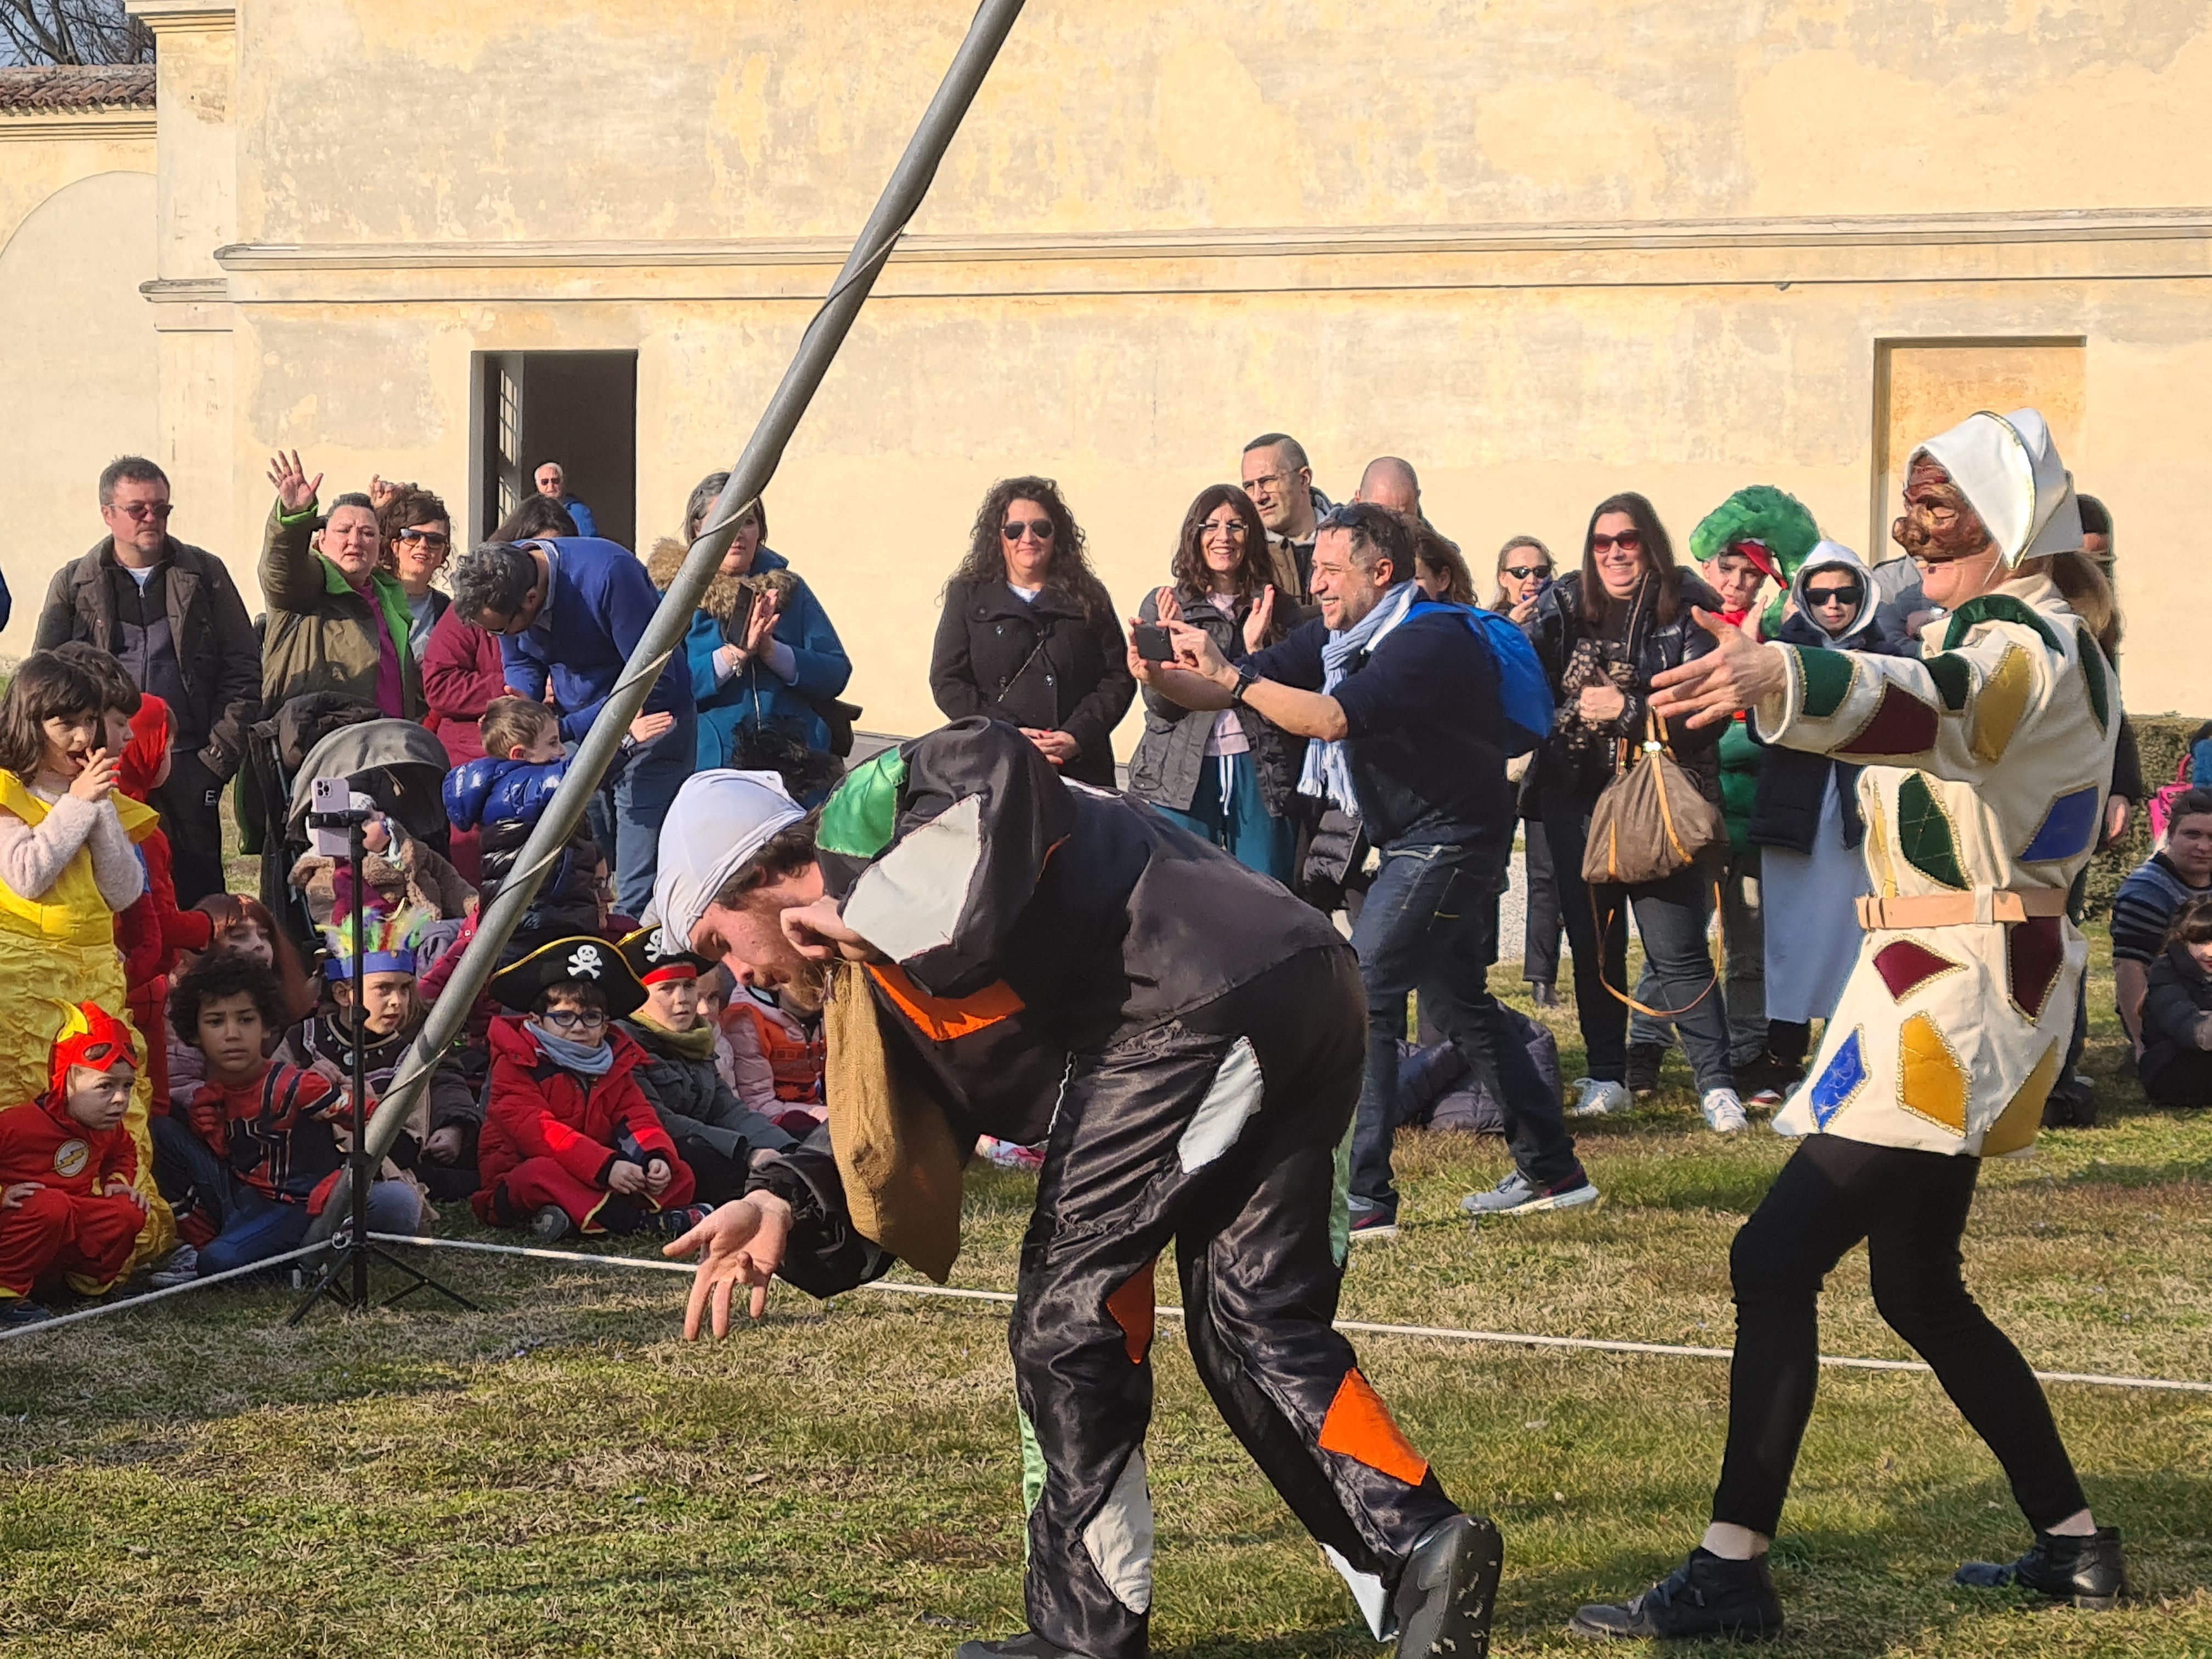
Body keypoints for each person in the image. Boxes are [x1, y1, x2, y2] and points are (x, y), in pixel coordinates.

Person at [654, 743, 1504, 1659]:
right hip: (1298, 981)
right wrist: (780, 1201)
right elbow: (889, 1122)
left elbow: (986, 756)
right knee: (1251, 1316)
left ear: (769, 875)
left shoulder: (865, 816)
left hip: (1183, 1003)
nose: (738, 976)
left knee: (1067, 1314)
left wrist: (873, 907)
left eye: (718, 943)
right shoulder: (874, 970)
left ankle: (1083, 1634)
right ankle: (1418, 1545)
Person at [1573, 409, 2125, 1640]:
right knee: (1920, 1286)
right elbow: (1934, 698)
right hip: (1957, 980)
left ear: (2004, 524)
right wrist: (1787, 672)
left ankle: (1730, 1572)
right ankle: (2075, 1544)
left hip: (1956, 993)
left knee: (1773, 1261)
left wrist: (1791, 672)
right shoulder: (2037, 632)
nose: (1907, 528)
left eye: (1938, 507)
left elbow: (1944, 707)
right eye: (1912, 504)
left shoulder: (2014, 638)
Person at [1139, 502, 1590, 1237]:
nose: (1313, 582)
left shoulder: (1431, 639)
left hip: (1452, 839)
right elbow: (1234, 689)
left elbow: (1330, 719)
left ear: (1381, 572)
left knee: (1367, 990)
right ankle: (1553, 1170)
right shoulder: (1340, 636)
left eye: (1328, 568)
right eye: (1313, 568)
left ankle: (1364, 1197)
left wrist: (1233, 678)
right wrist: (1161, 676)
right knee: (1462, 1008)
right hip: (1415, 838)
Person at [1525, 493, 1743, 1130]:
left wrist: (1627, 714)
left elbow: (1708, 719)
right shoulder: (1563, 605)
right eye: (1602, 543)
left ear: (1651, 544)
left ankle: (1717, 1084)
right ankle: (1605, 1074)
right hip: (1574, 795)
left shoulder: (1689, 609)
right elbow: (1518, 674)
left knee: (1676, 949)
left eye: (1628, 541)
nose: (1615, 553)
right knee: (1595, 947)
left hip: (1659, 795)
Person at [0, 651, 172, 1265]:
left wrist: (98, 808)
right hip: (23, 978)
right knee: (27, 1099)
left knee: (108, 1098)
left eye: (88, 722)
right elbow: (27, 875)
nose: (82, 737)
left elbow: (125, 891)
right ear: (29, 724)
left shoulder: (98, 793)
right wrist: (76, 802)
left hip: (93, 971)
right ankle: (24, 1244)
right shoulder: (8, 793)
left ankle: (104, 1241)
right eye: (62, 723)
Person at [35, 454, 261, 906]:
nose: (152, 518)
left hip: (190, 762)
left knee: (197, 895)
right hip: (101, 768)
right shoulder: (75, 583)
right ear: (108, 514)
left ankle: (202, 978)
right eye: (138, 509)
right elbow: (43, 683)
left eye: (162, 508)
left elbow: (244, 670)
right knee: (111, 894)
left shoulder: (205, 575)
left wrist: (214, 762)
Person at [448, 531, 696, 921]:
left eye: (500, 629)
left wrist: (564, 728)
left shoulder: (609, 576)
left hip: (651, 729)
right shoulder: (509, 586)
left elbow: (658, 680)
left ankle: (640, 966)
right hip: (575, 736)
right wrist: (523, 708)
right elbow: (522, 662)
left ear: (531, 599)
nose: (499, 639)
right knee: (589, 872)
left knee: (635, 881)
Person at [153, 951, 424, 1278]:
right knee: (161, 1130)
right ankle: (206, 1247)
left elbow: (377, 1122)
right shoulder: (214, 1095)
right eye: (215, 1022)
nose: (231, 1034)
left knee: (219, 1263)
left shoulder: (297, 1086)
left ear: (267, 1025)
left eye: (246, 1019)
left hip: (296, 1207)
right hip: (241, 1197)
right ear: (194, 1033)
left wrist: (352, 1096)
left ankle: (295, 1265)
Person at [470, 934, 707, 1242]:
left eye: (591, 1017)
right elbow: (539, 1133)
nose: (579, 1027)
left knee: (678, 1171)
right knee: (538, 1174)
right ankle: (635, 1222)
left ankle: (577, 1216)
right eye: (564, 1017)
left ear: (606, 1024)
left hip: (600, 1171)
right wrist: (606, 1167)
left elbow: (636, 1116)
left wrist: (652, 1158)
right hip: (525, 1172)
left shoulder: (615, 1062)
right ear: (537, 1020)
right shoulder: (515, 1064)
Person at [1127, 485, 1300, 883]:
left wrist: (1258, 646)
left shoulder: (1278, 606)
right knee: (1184, 898)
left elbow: (1287, 697)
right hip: (1178, 775)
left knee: (1264, 896)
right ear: (1195, 534)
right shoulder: (1165, 604)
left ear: (1252, 535)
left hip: (1262, 772)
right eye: (1212, 525)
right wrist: (1169, 658)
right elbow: (1161, 703)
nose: (1224, 536)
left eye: (1236, 525)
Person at [649, 475, 852, 802]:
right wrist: (733, 656)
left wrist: (774, 653)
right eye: (723, 521)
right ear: (698, 530)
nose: (738, 533)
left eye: (747, 521)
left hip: (799, 769)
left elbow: (835, 672)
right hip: (715, 771)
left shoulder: (789, 590)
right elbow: (658, 687)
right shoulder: (675, 598)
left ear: (761, 531)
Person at [928, 475, 1133, 791]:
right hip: (996, 766)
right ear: (998, 537)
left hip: (1078, 767)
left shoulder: (1088, 596)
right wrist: (1008, 734)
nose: (1028, 538)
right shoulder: (968, 595)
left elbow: (1118, 676)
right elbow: (949, 681)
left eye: (1041, 528)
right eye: (1014, 529)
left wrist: (1077, 735)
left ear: (1056, 535)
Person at [276, 907, 481, 1206]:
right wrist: (306, 1088)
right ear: (344, 994)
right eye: (383, 989)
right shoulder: (301, 1040)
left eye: (405, 989)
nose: (397, 1002)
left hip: (379, 1178)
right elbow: (269, 1110)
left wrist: (369, 1112)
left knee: (400, 1206)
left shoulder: (409, 1058)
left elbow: (408, 1149)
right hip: (301, 1171)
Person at [614, 925, 795, 1204]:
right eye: (667, 989)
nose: (683, 999)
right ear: (638, 999)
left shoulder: (696, 1038)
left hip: (713, 1143)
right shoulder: (626, 1046)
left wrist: (782, 1147)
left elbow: (726, 1107)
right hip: (660, 1155)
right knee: (696, 1154)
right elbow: (663, 1121)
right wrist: (747, 1153)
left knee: (796, 1138)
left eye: (688, 986)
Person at [0, 1002, 148, 1326]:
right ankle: (5, 1295)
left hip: (67, 1225)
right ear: (64, 1082)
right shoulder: (15, 1124)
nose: (121, 1099)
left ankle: (86, 1286)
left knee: (128, 1211)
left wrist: (119, 1181)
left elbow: (122, 1153)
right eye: (105, 1086)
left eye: (127, 1086)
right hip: (25, 1224)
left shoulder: (107, 1127)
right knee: (51, 1206)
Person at [259, 452, 423, 719]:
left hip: (390, 746)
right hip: (318, 750)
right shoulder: (307, 587)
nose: (355, 541)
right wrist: (294, 519)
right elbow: (281, 568)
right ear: (321, 540)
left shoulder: (389, 597)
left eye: (367, 533)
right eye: (343, 531)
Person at [2111, 788, 2212, 1057]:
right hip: (2171, 1006)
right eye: (2193, 835)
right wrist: (2143, 1046)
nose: (2203, 846)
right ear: (2170, 834)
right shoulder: (2146, 891)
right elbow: (2130, 967)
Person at [289, 791, 473, 926]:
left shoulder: (412, 850)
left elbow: (450, 882)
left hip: (437, 924)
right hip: (385, 947)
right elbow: (333, 919)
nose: (382, 816)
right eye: (370, 818)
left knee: (461, 933)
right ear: (350, 837)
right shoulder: (330, 877)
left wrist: (473, 907)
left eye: (377, 811)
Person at [718, 963, 827, 1135]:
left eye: (821, 977)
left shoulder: (832, 1007)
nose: (818, 988)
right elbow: (757, 1103)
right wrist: (827, 1115)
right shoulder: (747, 1019)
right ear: (776, 979)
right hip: (777, 1122)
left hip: (821, 1110)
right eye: (805, 979)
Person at [1240, 432, 1329, 602]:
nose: (1259, 497)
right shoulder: (1242, 555)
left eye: (1268, 481)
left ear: (1304, 479)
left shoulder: (1352, 542)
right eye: (1249, 486)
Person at [2140, 896, 2212, 1105]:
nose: (2209, 952)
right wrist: (2202, 1027)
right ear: (2181, 940)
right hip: (2172, 1065)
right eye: (2199, 942)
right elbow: (2181, 1022)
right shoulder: (2166, 973)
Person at [375, 483, 455, 657]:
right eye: (413, 536)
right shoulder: (373, 594)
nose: (423, 545)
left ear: (444, 553)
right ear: (395, 546)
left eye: (435, 539)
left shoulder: (446, 610)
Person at [533, 461, 598, 539]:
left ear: (562, 483)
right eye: (545, 482)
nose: (550, 486)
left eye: (555, 481)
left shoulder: (579, 511)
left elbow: (589, 543)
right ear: (537, 486)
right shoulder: (530, 512)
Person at [1351, 455, 1422, 521]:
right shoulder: (1344, 531)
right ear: (1358, 500)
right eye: (1382, 516)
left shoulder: (1422, 531)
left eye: (1403, 518)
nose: (1394, 527)